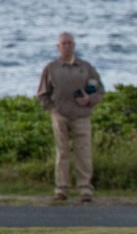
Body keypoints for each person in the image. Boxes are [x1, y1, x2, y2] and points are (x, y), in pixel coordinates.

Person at [36, 32, 104, 203]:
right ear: (58, 47)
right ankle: (62, 189)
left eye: (69, 43)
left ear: (74, 46)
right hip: (60, 116)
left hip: (81, 116)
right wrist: (53, 109)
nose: (66, 46)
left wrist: (89, 99)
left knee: (84, 152)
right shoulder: (51, 68)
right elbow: (42, 93)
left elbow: (100, 90)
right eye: (63, 44)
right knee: (62, 152)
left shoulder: (86, 68)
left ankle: (85, 189)